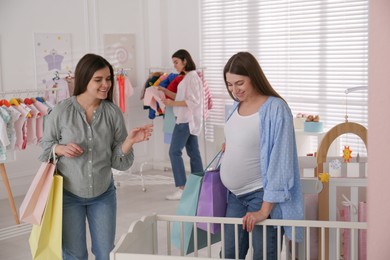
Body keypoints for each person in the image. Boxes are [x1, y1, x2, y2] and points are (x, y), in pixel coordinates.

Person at [38, 53, 153, 260]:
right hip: (68, 196)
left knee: (105, 252)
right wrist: (60, 149)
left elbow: (120, 162)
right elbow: (44, 147)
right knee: (74, 254)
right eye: (98, 80)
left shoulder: (112, 112)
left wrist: (130, 142)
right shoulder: (62, 111)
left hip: (103, 195)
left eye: (108, 79)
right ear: (84, 79)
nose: (106, 84)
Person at [220, 52, 304, 259]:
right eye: (229, 85)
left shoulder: (276, 108)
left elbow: (281, 161)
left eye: (239, 83)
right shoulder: (235, 107)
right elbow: (245, 139)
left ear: (254, 77)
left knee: (264, 254)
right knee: (229, 254)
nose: (234, 90)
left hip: (260, 195)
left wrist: (265, 210)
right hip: (234, 196)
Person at [162, 49, 204, 200]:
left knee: (174, 152)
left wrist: (172, 102)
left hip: (185, 120)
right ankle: (199, 186)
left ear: (185, 61)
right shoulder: (187, 77)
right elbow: (182, 98)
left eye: (176, 62)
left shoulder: (191, 77)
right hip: (187, 119)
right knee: (194, 153)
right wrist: (164, 90)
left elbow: (193, 101)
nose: (174, 66)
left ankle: (182, 188)